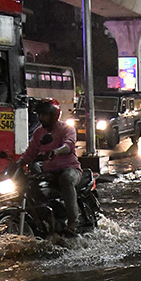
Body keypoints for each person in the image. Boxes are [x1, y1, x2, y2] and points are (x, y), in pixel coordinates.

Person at [18, 101, 83, 236]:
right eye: (40, 114)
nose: (42, 118)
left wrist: (56, 151)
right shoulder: (38, 133)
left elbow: (69, 145)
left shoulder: (67, 129)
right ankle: (46, 220)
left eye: (45, 115)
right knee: (32, 186)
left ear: (54, 115)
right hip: (49, 172)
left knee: (66, 179)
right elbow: (31, 152)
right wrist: (17, 163)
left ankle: (73, 222)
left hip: (70, 169)